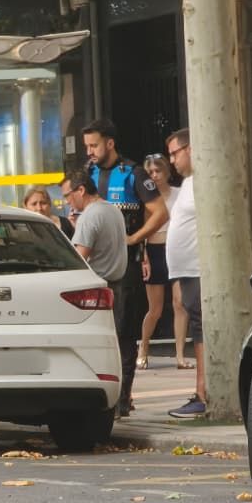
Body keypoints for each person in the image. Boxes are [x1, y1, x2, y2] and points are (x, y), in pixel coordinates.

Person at [84, 119, 166, 414]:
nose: (90, 151)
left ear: (110, 143)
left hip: (125, 267)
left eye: (94, 145)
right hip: (93, 269)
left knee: (123, 332)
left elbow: (160, 212)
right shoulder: (89, 173)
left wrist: (134, 238)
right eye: (87, 146)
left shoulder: (133, 173)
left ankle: (122, 400)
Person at [163, 128, 205, 418]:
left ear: (190, 149)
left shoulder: (203, 181)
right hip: (185, 271)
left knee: (201, 329)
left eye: (174, 153)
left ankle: (203, 393)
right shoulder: (187, 183)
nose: (172, 161)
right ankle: (201, 392)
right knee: (196, 327)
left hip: (199, 268)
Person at [136, 153, 177, 369]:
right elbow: (143, 230)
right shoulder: (146, 198)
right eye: (150, 172)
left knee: (180, 303)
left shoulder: (178, 194)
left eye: (158, 171)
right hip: (154, 249)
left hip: (176, 248)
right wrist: (144, 257)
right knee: (156, 309)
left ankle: (180, 355)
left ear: (166, 171)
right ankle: (143, 346)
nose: (154, 175)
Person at [62, 172, 127, 286]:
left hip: (98, 286)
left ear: (81, 190)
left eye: (67, 195)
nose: (67, 202)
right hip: (118, 283)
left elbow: (79, 260)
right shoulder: (114, 209)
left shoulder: (88, 216)